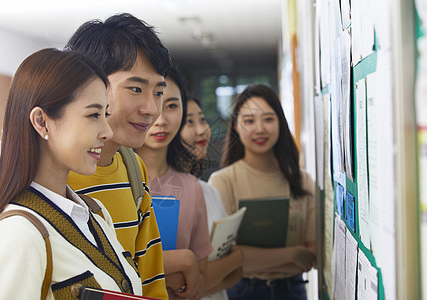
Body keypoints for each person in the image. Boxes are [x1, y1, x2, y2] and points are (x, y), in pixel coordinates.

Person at [0, 48, 143, 298]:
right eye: (93, 115)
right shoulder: (18, 235)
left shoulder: (97, 214)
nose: (107, 131)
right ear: (42, 122)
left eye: (105, 114)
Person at [65, 13, 171, 300]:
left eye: (159, 92)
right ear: (88, 85)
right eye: (136, 89)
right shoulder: (35, 177)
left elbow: (150, 279)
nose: (151, 108)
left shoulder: (132, 168)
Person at [208, 84, 316, 300]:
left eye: (268, 119)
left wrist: (247, 256)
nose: (260, 128)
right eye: (249, 121)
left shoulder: (301, 180)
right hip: (240, 290)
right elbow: (223, 259)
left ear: (280, 123)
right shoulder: (223, 182)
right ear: (236, 126)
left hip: (293, 290)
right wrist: (292, 253)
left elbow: (311, 254)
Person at [135, 67, 213, 300]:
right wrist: (180, 263)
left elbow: (199, 277)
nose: (160, 119)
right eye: (154, 104)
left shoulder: (191, 187)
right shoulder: (114, 180)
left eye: (171, 106)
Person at [180, 97, 244, 300]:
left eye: (202, 119)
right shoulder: (159, 196)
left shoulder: (209, 192)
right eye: (189, 122)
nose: (201, 130)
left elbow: (238, 270)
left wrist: (202, 281)